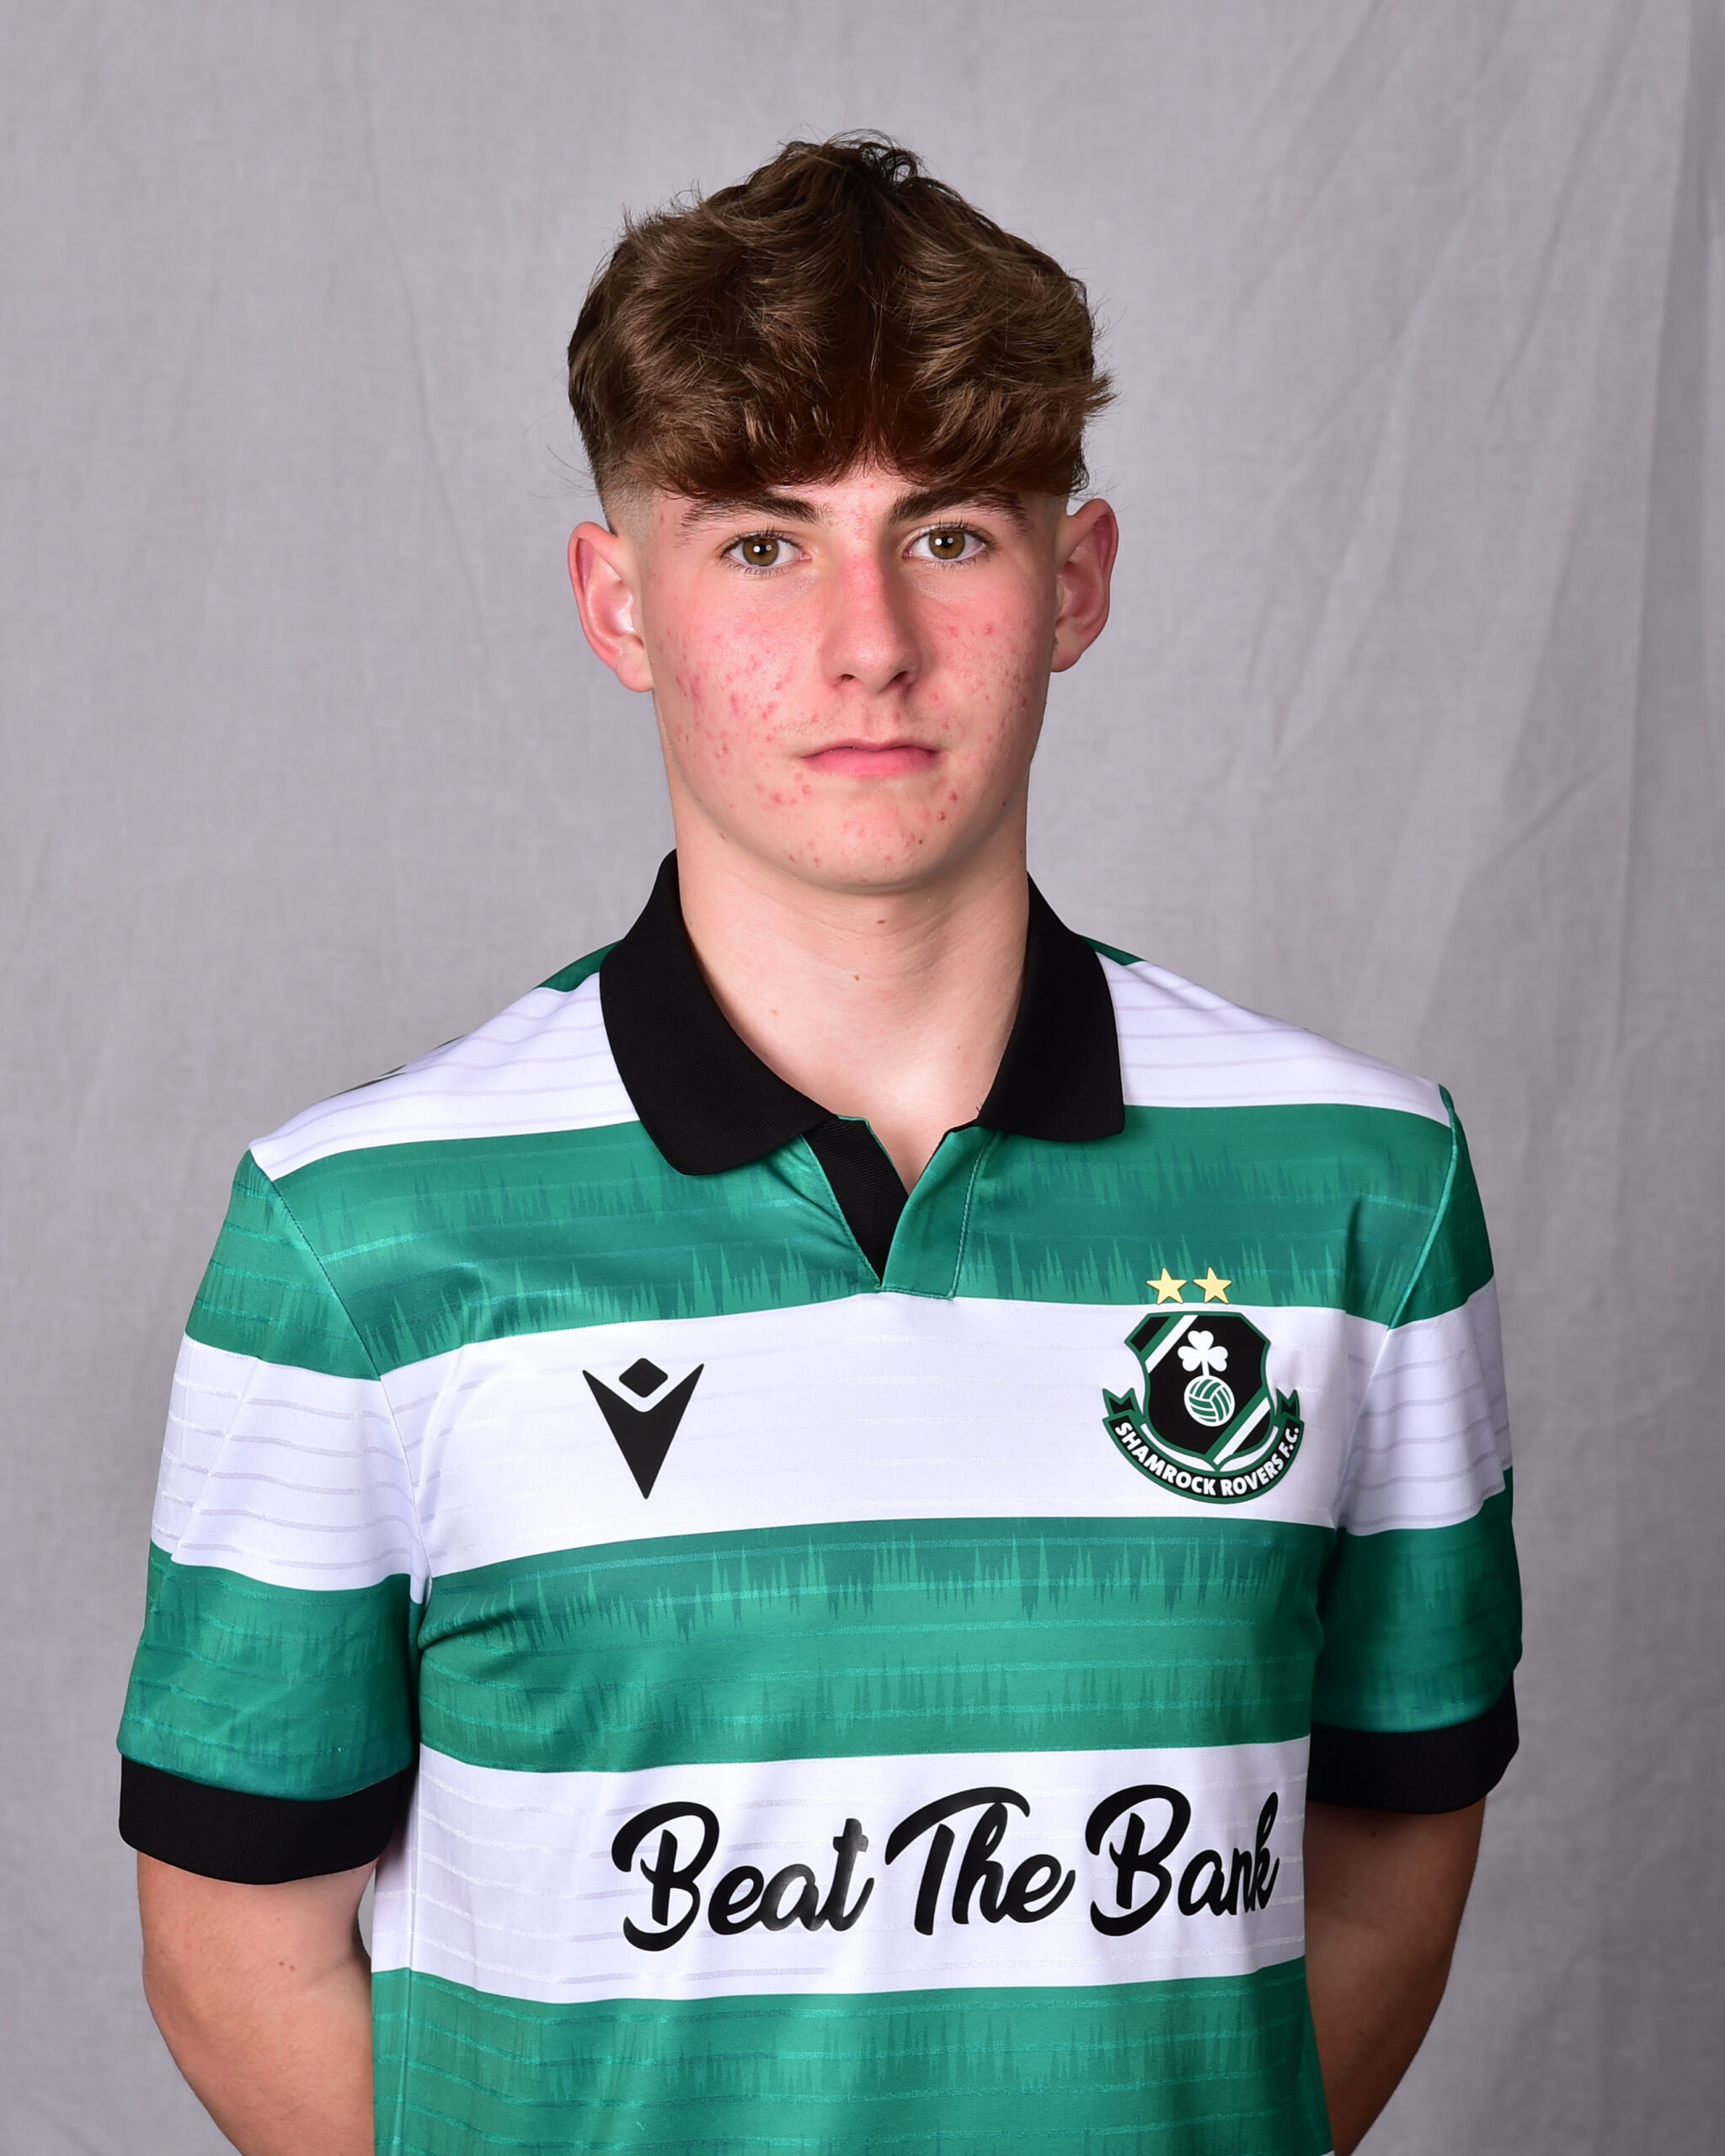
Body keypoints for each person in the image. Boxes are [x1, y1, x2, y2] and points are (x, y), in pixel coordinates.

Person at [118, 136, 1519, 2156]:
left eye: (946, 532)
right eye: (762, 542)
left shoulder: (1361, 1189)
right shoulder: (355, 1238)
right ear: (620, 601)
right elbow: (236, 1952)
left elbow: (1394, 1850)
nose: (866, 641)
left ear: (1079, 580)